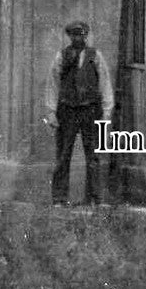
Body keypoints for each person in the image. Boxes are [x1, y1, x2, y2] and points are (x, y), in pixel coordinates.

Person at [44, 21, 114, 205]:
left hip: (90, 111)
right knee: (63, 155)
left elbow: (105, 84)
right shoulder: (61, 56)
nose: (78, 38)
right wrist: (51, 112)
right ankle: (59, 199)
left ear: (86, 36)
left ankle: (94, 198)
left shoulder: (95, 56)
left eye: (82, 35)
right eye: (74, 35)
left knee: (93, 156)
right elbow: (53, 84)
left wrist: (106, 112)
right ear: (69, 37)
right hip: (67, 110)